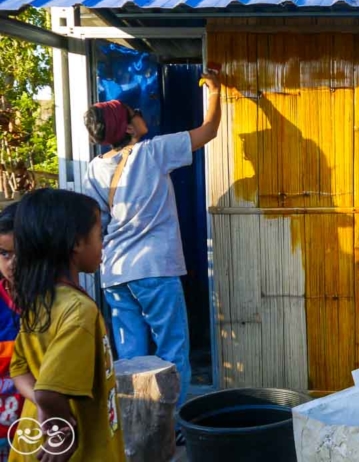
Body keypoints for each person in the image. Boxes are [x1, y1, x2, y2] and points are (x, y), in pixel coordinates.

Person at [82, 71, 221, 420]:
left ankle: (135, 428)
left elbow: (96, 222)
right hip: (154, 269)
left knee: (131, 359)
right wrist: (216, 93)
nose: (142, 116)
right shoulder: (153, 152)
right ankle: (169, 426)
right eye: (136, 113)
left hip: (114, 273)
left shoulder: (94, 169)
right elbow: (209, 131)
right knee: (173, 351)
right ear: (129, 128)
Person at [8, 188, 124, 461]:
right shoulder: (79, 310)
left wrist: (42, 407)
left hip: (30, 439)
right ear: (76, 243)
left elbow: (20, 370)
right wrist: (59, 428)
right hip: (77, 451)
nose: (103, 243)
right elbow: (49, 390)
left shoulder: (41, 300)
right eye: (99, 234)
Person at [0, 203, 23, 461]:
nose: (12, 263)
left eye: (21, 254)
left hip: (38, 429)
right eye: (4, 254)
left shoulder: (57, 304)